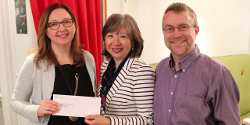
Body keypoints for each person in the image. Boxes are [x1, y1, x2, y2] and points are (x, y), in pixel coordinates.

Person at [153, 2, 240, 125]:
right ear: (164, 33)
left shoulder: (218, 73)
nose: (176, 34)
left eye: (183, 27)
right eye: (169, 28)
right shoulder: (160, 69)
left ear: (196, 30)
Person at [10, 3, 96, 125]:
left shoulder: (88, 58)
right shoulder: (34, 62)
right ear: (46, 31)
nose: (62, 29)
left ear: (75, 26)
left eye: (66, 22)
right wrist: (37, 110)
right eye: (54, 24)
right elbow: (16, 102)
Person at [84, 13, 155, 125]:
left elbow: (148, 120)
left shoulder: (142, 72)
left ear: (133, 41)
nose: (116, 43)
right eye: (110, 36)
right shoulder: (106, 66)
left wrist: (109, 122)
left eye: (123, 36)